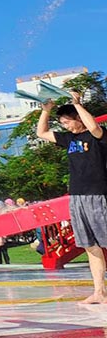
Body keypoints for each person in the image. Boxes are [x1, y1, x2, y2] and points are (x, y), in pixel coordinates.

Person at [36, 90, 107, 304]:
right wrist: (46, 111)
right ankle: (100, 292)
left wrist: (77, 104)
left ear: (78, 117)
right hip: (76, 197)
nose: (66, 126)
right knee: (89, 245)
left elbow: (93, 126)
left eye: (68, 122)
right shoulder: (69, 139)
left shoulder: (98, 136)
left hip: (98, 195)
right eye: (63, 123)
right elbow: (42, 132)